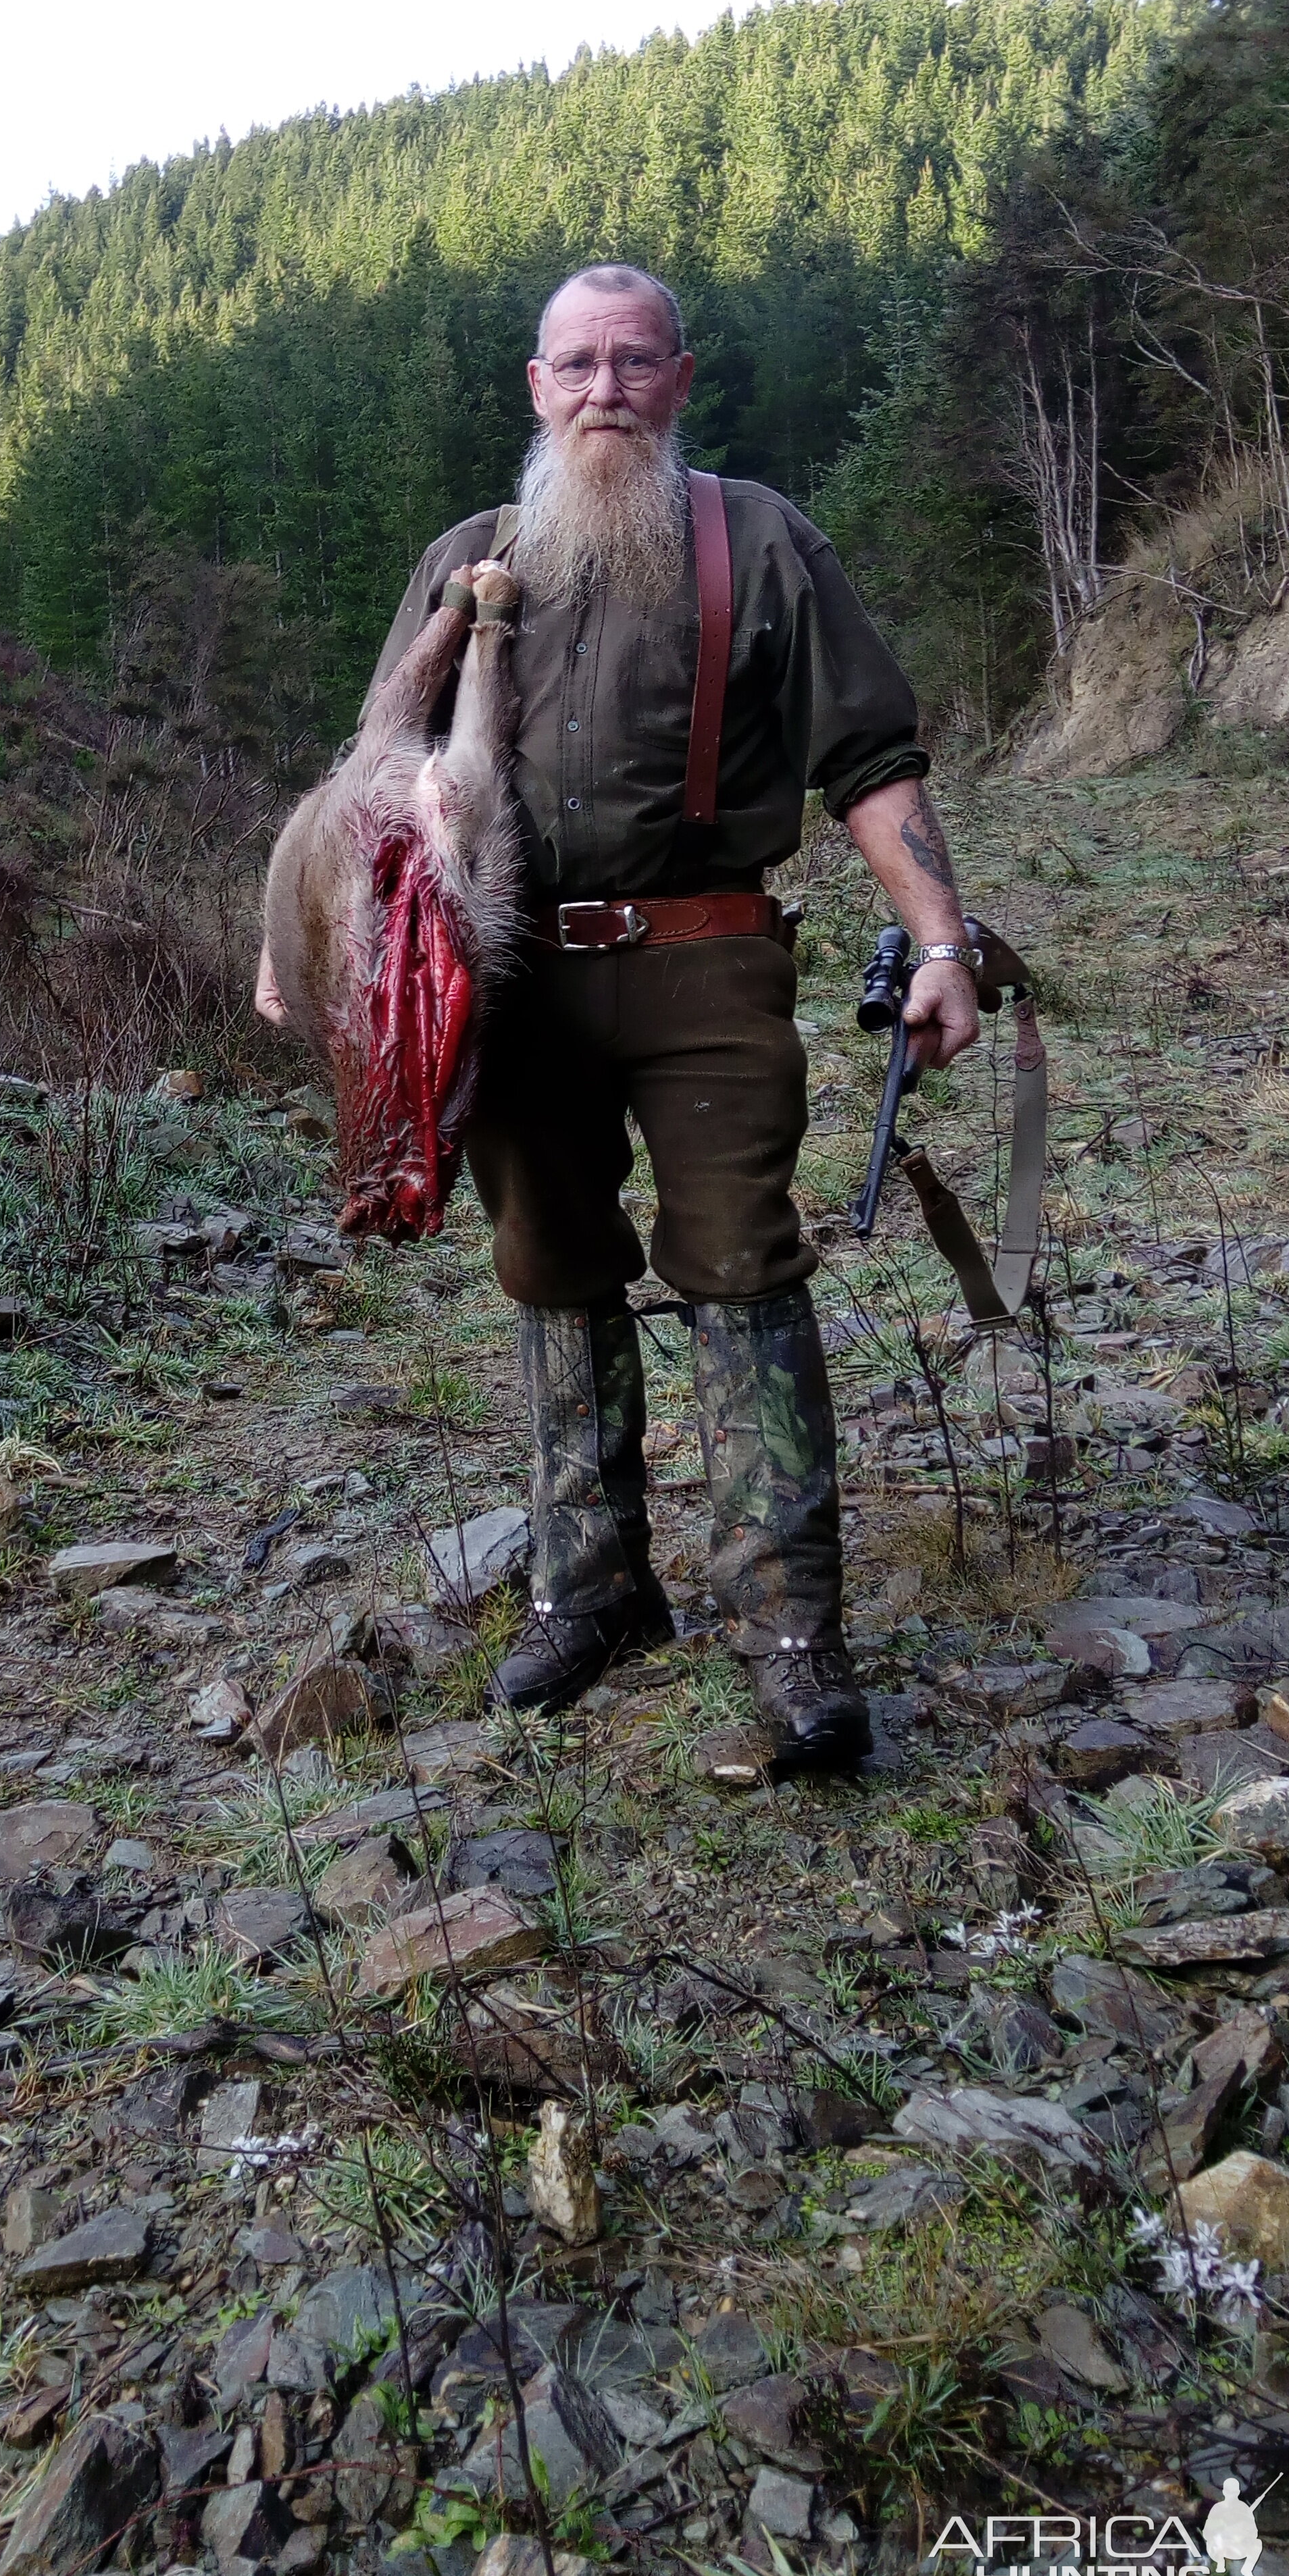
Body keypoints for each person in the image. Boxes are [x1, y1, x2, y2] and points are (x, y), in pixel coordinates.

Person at [261, 263, 980, 1771]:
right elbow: (379, 780)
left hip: (709, 963)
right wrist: (304, 946)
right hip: (507, 982)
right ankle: (590, 1592)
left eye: (634, 360)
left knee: (739, 1261)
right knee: (551, 1262)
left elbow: (873, 762)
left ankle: (794, 1640)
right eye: (576, 362)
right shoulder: (467, 560)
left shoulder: (762, 541)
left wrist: (941, 942)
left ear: (681, 376)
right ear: (535, 386)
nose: (605, 387)